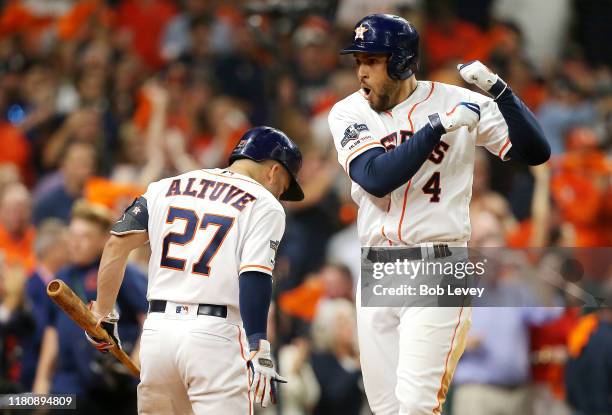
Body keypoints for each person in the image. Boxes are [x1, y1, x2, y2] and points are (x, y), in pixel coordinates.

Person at [327, 14, 550, 414]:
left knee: (415, 407)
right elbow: (376, 177)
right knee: (385, 408)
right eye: (358, 60)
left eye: (372, 61)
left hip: (437, 265)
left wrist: (499, 91)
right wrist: (436, 128)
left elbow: (535, 151)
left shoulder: (455, 100)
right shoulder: (348, 112)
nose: (361, 72)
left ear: (401, 62)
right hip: (377, 266)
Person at [87, 126, 303, 414]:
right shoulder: (265, 204)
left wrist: (102, 315)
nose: (281, 194)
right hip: (216, 339)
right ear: (274, 171)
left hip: (158, 334)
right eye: (284, 186)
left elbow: (116, 245)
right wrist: (258, 342)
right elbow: (255, 274)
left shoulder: (164, 186)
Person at [32, 200, 147, 414]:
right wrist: (42, 381)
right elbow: (52, 331)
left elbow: (148, 316)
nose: (75, 243)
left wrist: (137, 361)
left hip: (115, 385)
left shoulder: (120, 271)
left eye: (85, 237)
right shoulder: (62, 277)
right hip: (71, 383)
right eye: (73, 236)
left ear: (103, 240)